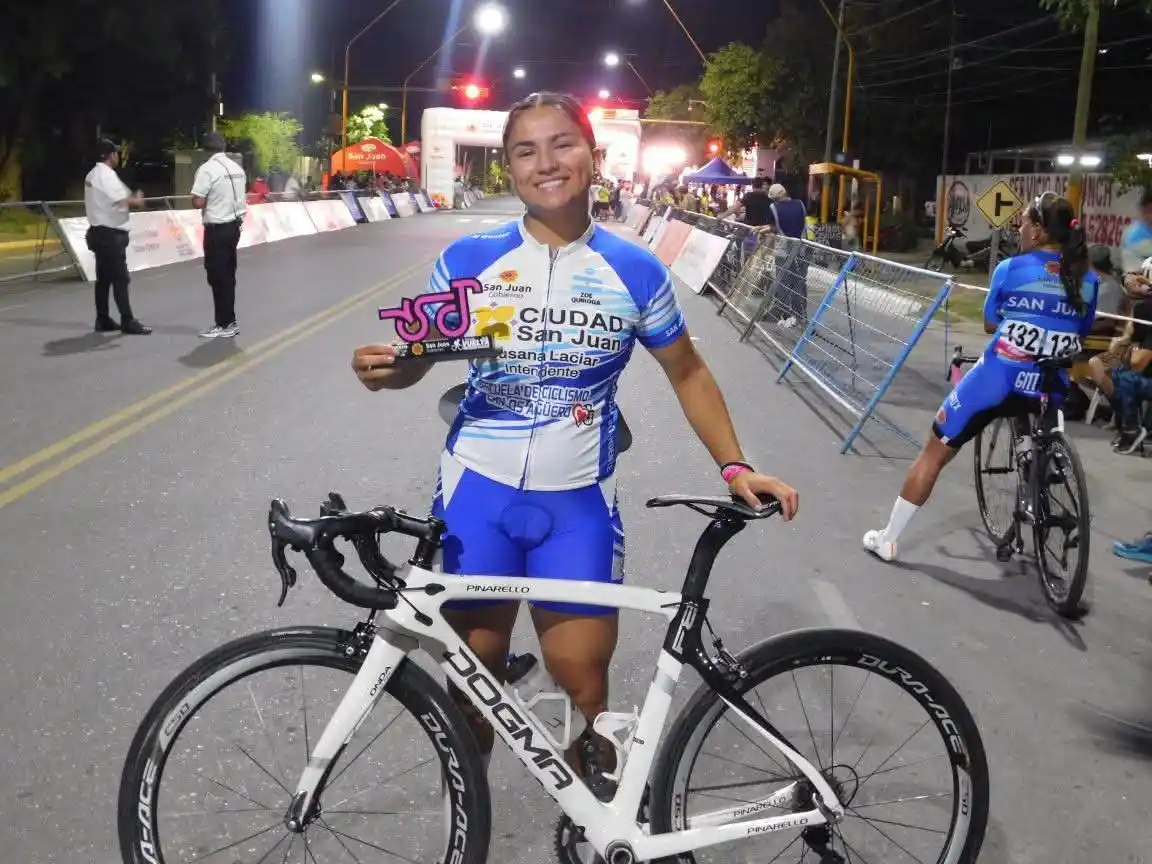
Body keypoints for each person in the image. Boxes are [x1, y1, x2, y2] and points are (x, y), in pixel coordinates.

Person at [350, 91, 799, 785]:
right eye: (525, 151)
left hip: (578, 505)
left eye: (561, 143)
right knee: (470, 694)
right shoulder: (469, 261)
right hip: (476, 496)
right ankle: (466, 825)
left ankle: (595, 831)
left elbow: (687, 371)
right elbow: (416, 361)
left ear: (593, 154)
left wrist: (736, 466)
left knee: (585, 686)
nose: (546, 163)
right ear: (508, 168)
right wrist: (386, 370)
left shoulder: (635, 267)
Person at [863, 191, 1098, 562]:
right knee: (1044, 440)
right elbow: (1080, 334)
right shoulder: (1087, 279)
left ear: (1037, 231)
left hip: (1000, 379)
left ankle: (888, 538)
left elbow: (991, 323)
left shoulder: (1011, 269)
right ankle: (1044, 492)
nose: (1018, 227)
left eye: (1023, 221)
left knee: (934, 451)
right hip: (1051, 383)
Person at [83, 138, 151, 335]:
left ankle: (102, 319)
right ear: (110, 155)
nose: (118, 156)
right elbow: (122, 198)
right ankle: (127, 320)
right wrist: (137, 199)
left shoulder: (92, 174)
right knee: (121, 279)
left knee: (103, 280)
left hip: (98, 232)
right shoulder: (106, 174)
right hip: (110, 234)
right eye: (116, 153)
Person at [190, 131, 247, 339]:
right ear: (223, 147)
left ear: (206, 150)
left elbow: (197, 201)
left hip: (217, 229)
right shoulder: (237, 168)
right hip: (234, 227)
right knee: (228, 274)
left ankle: (224, 323)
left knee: (217, 276)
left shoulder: (207, 169)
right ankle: (228, 320)